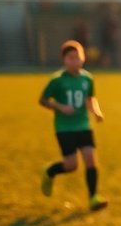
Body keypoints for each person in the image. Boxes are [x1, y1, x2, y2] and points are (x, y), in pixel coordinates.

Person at [39, 40, 107, 212]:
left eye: (78, 57)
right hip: (64, 128)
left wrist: (97, 112)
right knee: (71, 165)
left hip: (83, 125)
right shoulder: (57, 80)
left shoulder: (87, 78)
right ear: (64, 60)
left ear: (83, 59)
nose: (75, 61)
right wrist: (60, 107)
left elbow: (90, 99)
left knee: (91, 159)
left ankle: (93, 198)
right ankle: (50, 172)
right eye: (71, 58)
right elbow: (43, 100)